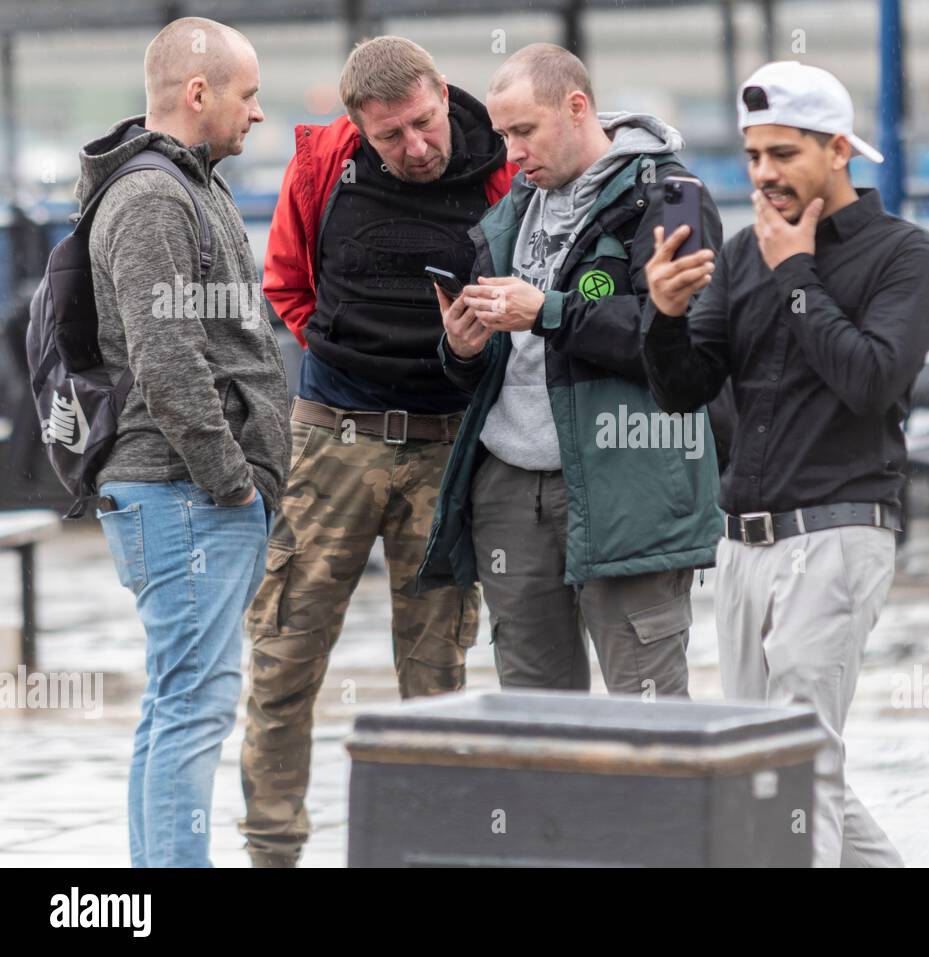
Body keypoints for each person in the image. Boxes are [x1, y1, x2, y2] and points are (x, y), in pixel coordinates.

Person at [642, 60, 929, 867]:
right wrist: (665, 318)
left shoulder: (903, 255)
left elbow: (870, 380)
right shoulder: (740, 254)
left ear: (839, 149)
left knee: (797, 761)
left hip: (839, 533)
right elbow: (686, 393)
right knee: (767, 767)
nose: (765, 174)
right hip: (743, 542)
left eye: (785, 153)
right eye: (754, 157)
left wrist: (796, 275)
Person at [239, 36, 513, 868]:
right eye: (391, 137)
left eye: (424, 124)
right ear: (358, 127)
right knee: (285, 649)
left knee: (437, 668)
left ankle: (432, 849)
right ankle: (271, 845)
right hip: (331, 434)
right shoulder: (324, 165)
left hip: (447, 442)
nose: (416, 147)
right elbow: (286, 283)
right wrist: (349, 352)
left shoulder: (506, 168)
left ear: (441, 91)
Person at [420, 43, 722, 697]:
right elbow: (499, 366)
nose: (511, 153)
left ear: (577, 107)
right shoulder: (513, 209)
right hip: (508, 491)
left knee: (650, 720)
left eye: (523, 130)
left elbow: (677, 353)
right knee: (535, 718)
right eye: (502, 135)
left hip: (625, 485)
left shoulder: (671, 197)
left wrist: (550, 310)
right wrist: (464, 348)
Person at [85, 17, 289, 866]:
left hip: (187, 494)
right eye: (248, 95)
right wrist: (233, 482)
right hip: (184, 494)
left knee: (178, 702)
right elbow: (169, 365)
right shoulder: (153, 199)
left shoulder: (185, 185)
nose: (259, 114)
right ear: (198, 94)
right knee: (195, 707)